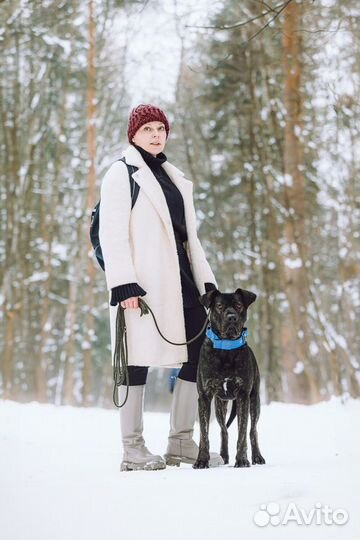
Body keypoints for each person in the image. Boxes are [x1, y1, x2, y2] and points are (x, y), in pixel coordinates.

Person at [99, 104, 223, 471]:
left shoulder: (173, 177)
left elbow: (189, 238)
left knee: (197, 350)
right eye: (148, 129)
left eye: (160, 128)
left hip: (182, 281)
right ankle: (132, 448)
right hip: (142, 284)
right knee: (134, 360)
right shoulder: (121, 174)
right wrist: (123, 285)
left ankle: (180, 441)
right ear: (133, 134)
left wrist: (208, 282)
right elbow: (112, 234)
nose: (156, 134)